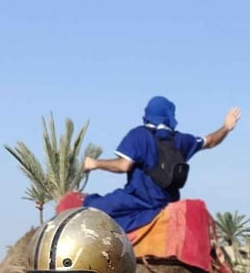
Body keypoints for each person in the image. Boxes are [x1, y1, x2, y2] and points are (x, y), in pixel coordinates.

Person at [83, 96, 240, 232]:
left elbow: (123, 165)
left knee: (90, 212)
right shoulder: (181, 140)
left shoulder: (138, 135)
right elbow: (210, 141)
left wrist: (94, 163)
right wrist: (226, 127)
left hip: (138, 201)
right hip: (167, 203)